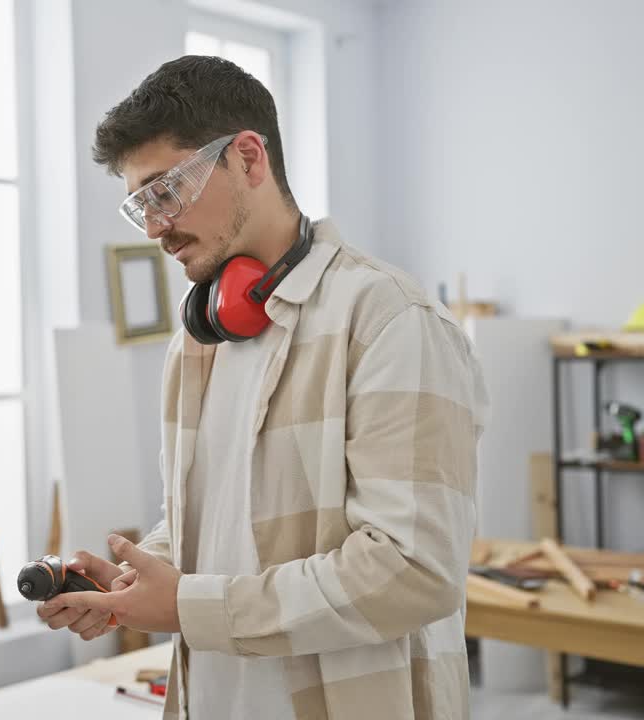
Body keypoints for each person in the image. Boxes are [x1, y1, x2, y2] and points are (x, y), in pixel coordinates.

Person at [39, 56, 489, 719]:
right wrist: (141, 579)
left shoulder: (388, 321)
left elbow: (414, 573)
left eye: (167, 191)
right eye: (141, 206)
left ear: (250, 160)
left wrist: (187, 605)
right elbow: (212, 523)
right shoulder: (196, 341)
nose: (158, 227)